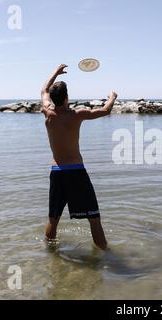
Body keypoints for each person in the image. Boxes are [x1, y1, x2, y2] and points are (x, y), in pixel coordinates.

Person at [41, 64, 117, 250]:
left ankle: (50, 253)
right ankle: (107, 254)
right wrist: (112, 98)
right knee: (93, 218)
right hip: (76, 173)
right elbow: (105, 111)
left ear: (52, 98)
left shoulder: (48, 113)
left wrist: (55, 72)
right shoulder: (77, 115)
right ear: (67, 98)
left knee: (53, 217)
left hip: (57, 172)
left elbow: (43, 90)